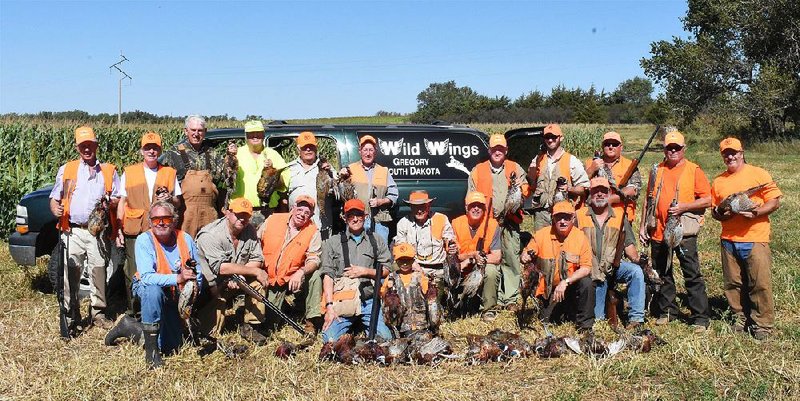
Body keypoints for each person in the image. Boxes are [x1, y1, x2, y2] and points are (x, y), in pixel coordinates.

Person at [49, 126, 121, 333]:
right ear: (77, 148)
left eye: (90, 145)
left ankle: (98, 313)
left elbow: (117, 198)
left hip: (97, 233)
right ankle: (71, 315)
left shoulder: (108, 171)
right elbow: (54, 197)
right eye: (83, 146)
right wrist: (55, 209)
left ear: (96, 146)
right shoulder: (67, 169)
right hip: (72, 231)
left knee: (98, 271)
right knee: (71, 272)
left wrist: (110, 203)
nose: (87, 149)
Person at [638, 131, 711, 332]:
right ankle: (667, 311)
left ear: (683, 149)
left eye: (676, 147)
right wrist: (643, 226)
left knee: (691, 273)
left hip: (682, 232)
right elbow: (648, 201)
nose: (672, 151)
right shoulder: (657, 170)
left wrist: (684, 207)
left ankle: (700, 318)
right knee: (662, 273)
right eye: (669, 147)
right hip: (658, 231)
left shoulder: (693, 170)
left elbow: (708, 199)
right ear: (664, 150)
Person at [711, 138, 782, 340]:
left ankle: (762, 324)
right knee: (732, 283)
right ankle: (740, 318)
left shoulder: (758, 174)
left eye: (733, 152)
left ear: (742, 153)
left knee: (759, 283)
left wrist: (757, 212)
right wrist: (721, 214)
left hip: (755, 236)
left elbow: (774, 201)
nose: (730, 156)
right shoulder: (719, 181)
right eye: (726, 153)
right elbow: (715, 211)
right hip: (729, 239)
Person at [116, 132, 181, 318]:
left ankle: (159, 311)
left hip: (161, 229)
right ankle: (135, 312)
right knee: (132, 271)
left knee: (161, 268)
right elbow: (122, 201)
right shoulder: (129, 172)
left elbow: (178, 202)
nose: (151, 151)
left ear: (160, 150)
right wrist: (119, 228)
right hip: (135, 229)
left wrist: (170, 199)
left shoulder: (169, 173)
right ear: (141, 150)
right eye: (147, 148)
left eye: (155, 148)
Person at [132, 200, 202, 368]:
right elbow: (147, 277)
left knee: (171, 346)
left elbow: (198, 272)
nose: (161, 223)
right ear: (150, 222)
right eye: (156, 219)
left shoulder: (185, 238)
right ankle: (152, 352)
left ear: (174, 220)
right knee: (153, 291)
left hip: (176, 294)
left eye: (166, 219)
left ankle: (128, 327)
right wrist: (178, 278)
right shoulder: (144, 240)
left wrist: (192, 294)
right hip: (148, 290)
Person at [468, 133, 530, 311]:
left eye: (501, 149)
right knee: (490, 260)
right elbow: (470, 197)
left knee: (511, 257)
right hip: (487, 223)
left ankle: (509, 298)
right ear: (489, 150)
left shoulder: (515, 168)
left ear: (506, 150)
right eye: (494, 149)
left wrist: (520, 186)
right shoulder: (478, 170)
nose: (497, 152)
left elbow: (525, 190)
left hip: (509, 221)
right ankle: (490, 297)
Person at [194, 198, 267, 344]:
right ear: (227, 213)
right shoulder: (210, 234)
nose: (242, 219)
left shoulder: (250, 230)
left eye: (246, 215)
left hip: (236, 278)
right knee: (209, 334)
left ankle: (251, 326)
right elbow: (220, 267)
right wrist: (252, 271)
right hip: (211, 286)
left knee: (257, 283)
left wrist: (241, 274)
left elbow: (257, 259)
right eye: (238, 214)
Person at [577, 177, 646, 329]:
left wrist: (638, 260)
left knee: (635, 271)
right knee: (599, 319)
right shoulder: (579, 215)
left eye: (603, 191)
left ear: (609, 193)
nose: (600, 194)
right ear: (590, 193)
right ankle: (612, 300)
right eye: (596, 191)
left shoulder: (620, 216)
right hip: (591, 272)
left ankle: (636, 318)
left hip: (612, 267)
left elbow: (628, 246)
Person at [320, 199, 393, 342]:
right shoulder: (332, 242)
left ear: (365, 216)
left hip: (369, 300)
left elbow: (386, 269)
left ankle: (361, 323)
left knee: (385, 338)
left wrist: (366, 271)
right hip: (344, 299)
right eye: (350, 215)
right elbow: (328, 276)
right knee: (329, 339)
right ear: (344, 217)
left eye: (359, 214)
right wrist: (329, 307)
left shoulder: (376, 240)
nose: (355, 219)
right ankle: (352, 324)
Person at [521, 201, 594, 332]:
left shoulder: (580, 238)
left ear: (573, 218)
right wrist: (525, 255)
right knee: (548, 320)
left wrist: (565, 282)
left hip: (570, 289)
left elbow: (586, 268)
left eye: (566, 217)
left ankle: (585, 326)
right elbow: (527, 252)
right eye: (558, 217)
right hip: (549, 292)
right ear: (552, 218)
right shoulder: (541, 235)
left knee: (587, 283)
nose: (562, 221)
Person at [160, 115, 237, 237]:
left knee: (209, 246)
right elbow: (162, 181)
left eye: (200, 130)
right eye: (193, 130)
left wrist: (231, 159)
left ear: (205, 132)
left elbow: (227, 182)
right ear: (186, 131)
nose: (196, 134)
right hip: (185, 214)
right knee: (185, 248)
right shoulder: (173, 154)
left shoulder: (212, 154)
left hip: (209, 213)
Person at [257, 195, 323, 334]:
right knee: (269, 324)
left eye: (307, 212)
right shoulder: (273, 219)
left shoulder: (313, 231)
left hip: (291, 278)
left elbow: (314, 259)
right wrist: (257, 269)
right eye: (299, 209)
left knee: (315, 276)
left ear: (311, 215)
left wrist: (300, 272)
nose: (302, 214)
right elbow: (256, 243)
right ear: (292, 208)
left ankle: (311, 321)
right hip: (267, 276)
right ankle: (287, 308)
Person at [449, 191, 502, 321]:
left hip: (480, 269)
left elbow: (496, 257)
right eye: (473, 205)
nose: (476, 208)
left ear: (484, 209)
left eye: (480, 206)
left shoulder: (492, 225)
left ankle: (488, 310)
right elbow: (455, 256)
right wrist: (472, 256)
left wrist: (481, 259)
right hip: (462, 269)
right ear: (466, 208)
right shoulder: (456, 223)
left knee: (491, 270)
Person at [527, 123, 590, 231]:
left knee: (564, 246)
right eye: (547, 137)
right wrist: (535, 164)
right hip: (541, 214)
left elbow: (584, 189)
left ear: (561, 138)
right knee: (542, 245)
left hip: (563, 214)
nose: (550, 140)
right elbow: (531, 184)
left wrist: (569, 189)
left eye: (553, 137)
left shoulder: (572, 161)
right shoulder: (538, 159)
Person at [338, 135, 398, 243]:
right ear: (360, 151)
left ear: (375, 152)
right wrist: (341, 176)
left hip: (378, 220)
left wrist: (381, 201)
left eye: (371, 150)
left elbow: (393, 194)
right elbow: (338, 189)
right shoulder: (349, 169)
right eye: (365, 150)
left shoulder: (383, 171)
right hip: (356, 219)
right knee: (356, 252)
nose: (368, 153)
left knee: (380, 252)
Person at [231, 120, 290, 226]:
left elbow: (284, 184)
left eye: (258, 133)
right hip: (240, 212)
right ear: (245, 136)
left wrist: (273, 171)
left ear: (263, 135)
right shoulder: (236, 155)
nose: (255, 136)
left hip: (268, 211)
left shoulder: (273, 154)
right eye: (251, 133)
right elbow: (225, 183)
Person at [286, 131, 337, 239]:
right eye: (305, 147)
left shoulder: (327, 168)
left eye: (311, 147)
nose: (308, 150)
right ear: (298, 149)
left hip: (320, 226)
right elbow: (282, 197)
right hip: (296, 227)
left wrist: (330, 175)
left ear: (316, 148)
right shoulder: (289, 168)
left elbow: (339, 190)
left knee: (322, 255)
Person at [393, 190, 455, 279]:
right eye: (415, 207)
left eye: (422, 206)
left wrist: (451, 245)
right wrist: (414, 266)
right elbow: (400, 248)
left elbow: (449, 239)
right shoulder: (403, 223)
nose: (419, 210)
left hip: (439, 270)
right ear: (410, 206)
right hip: (414, 268)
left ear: (429, 205)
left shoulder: (441, 219)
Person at [584, 131, 641, 222]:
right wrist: (591, 170)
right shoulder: (590, 164)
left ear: (621, 147)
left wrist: (610, 200)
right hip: (594, 216)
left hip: (622, 216)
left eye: (615, 144)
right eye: (607, 144)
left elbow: (633, 190)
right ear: (603, 146)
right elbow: (580, 186)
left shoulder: (630, 165)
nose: (611, 147)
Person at [381, 242, 432, 336]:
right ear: (396, 261)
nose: (404, 263)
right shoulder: (391, 278)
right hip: (400, 327)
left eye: (408, 260)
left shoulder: (420, 276)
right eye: (401, 260)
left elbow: (429, 296)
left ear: (413, 261)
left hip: (420, 325)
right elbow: (382, 296)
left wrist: (422, 272)